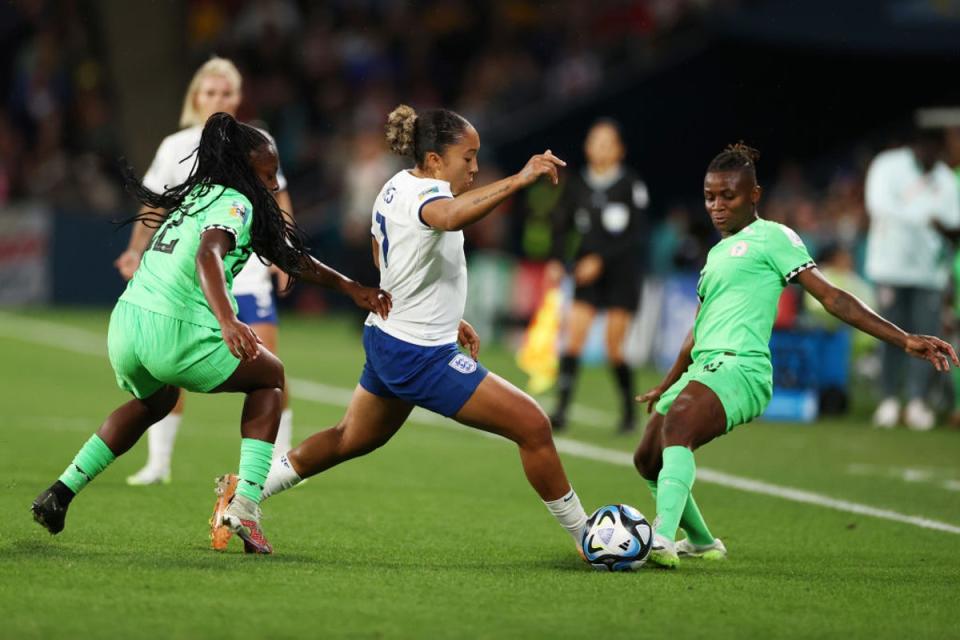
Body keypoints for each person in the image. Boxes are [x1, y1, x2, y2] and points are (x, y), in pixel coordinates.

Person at [209, 104, 591, 556]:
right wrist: (520, 179)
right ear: (434, 160)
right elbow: (448, 218)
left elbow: (382, 257)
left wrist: (446, 313)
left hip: (394, 336)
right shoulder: (427, 195)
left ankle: (245, 495)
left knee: (348, 439)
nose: (473, 167)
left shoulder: (394, 186)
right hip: (418, 353)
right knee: (532, 425)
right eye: (467, 158)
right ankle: (589, 538)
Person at [31, 113, 391, 555]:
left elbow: (288, 256)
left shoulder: (201, 194)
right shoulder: (237, 202)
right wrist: (227, 319)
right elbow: (208, 255)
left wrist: (349, 287)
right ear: (243, 170)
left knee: (155, 401)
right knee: (270, 378)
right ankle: (245, 506)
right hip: (174, 330)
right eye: (267, 174)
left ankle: (61, 492)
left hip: (127, 326)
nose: (275, 184)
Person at [632, 143, 958, 568]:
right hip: (704, 368)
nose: (716, 206)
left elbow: (832, 297)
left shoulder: (775, 237)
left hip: (742, 368)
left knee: (678, 428)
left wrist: (903, 338)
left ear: (754, 195)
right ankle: (703, 541)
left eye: (727, 196)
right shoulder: (715, 255)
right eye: (710, 196)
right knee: (647, 460)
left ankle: (660, 538)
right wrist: (668, 382)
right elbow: (696, 332)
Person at [113, 57, 299, 485]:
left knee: (269, 363)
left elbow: (278, 197)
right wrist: (134, 250)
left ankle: (281, 458)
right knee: (167, 366)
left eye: (226, 93)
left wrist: (282, 252)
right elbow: (155, 204)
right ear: (195, 97)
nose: (217, 100)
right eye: (210, 92)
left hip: (246, 268)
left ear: (238, 98)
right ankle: (159, 462)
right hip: (189, 276)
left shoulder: (257, 142)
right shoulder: (175, 146)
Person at [545, 119, 650, 433]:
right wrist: (555, 259)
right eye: (595, 142)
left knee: (613, 347)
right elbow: (561, 225)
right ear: (587, 147)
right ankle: (561, 410)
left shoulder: (631, 184)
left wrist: (600, 261)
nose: (600, 148)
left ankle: (629, 414)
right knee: (573, 340)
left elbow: (637, 234)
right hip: (586, 273)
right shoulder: (577, 184)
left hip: (621, 275)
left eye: (607, 143)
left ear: (619, 150)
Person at [864, 128, 960, 430]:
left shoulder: (945, 178)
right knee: (889, 336)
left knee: (928, 339)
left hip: (929, 273)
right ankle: (889, 400)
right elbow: (879, 206)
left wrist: (939, 225)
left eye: (938, 151)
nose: (933, 157)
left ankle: (918, 402)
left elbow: (954, 222)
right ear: (915, 147)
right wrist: (926, 218)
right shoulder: (888, 165)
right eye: (927, 150)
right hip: (889, 267)